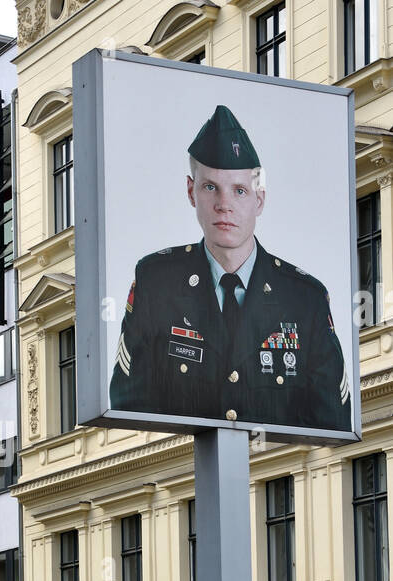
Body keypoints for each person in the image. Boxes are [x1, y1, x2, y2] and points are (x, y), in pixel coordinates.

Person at [109, 104, 351, 432]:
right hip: (182, 476)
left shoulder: (305, 298)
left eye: (239, 190)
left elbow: (332, 421)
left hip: (276, 473)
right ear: (191, 191)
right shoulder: (156, 282)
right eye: (211, 187)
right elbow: (128, 405)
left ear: (259, 200)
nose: (225, 204)